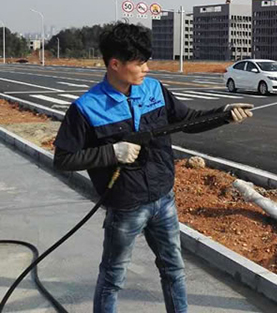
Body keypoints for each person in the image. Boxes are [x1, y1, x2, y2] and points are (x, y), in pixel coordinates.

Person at [53, 23, 253, 313]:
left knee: (174, 270)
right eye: (139, 62)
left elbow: (188, 120)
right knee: (113, 277)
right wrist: (112, 152)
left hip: (164, 199)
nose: (146, 68)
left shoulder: (154, 89)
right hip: (126, 207)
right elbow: (63, 159)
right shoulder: (87, 108)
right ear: (115, 64)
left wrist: (224, 114)